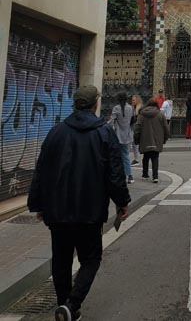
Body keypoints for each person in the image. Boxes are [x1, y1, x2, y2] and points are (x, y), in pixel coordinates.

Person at [28, 85, 130, 321]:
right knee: (91, 259)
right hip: (89, 212)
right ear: (96, 104)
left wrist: (39, 204)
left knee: (61, 260)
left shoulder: (55, 133)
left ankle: (65, 304)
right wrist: (122, 202)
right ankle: (72, 305)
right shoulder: (104, 134)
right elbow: (115, 174)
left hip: (58, 211)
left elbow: (41, 170)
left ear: (74, 104)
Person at [134, 97, 169, 183]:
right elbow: (166, 128)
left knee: (145, 157)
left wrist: (136, 138)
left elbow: (137, 127)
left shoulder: (142, 115)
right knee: (155, 157)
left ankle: (145, 174)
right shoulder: (160, 115)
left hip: (144, 139)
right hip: (157, 139)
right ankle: (155, 176)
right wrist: (165, 138)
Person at [109, 91, 134, 184]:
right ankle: (129, 175)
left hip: (118, 135)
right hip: (127, 134)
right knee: (125, 155)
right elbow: (131, 120)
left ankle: (118, 174)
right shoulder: (130, 108)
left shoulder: (116, 108)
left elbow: (112, 121)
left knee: (116, 155)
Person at [130, 95, 142, 165]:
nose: (132, 101)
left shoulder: (139, 108)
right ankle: (136, 159)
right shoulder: (133, 108)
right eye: (132, 100)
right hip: (133, 127)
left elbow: (139, 119)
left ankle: (136, 159)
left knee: (135, 143)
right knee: (134, 143)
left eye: (134, 100)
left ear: (137, 100)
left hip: (137, 128)